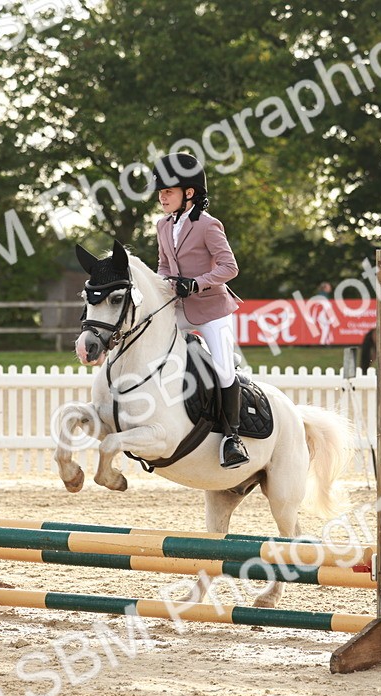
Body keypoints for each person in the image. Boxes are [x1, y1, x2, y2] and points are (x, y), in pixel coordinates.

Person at [153, 152, 248, 469]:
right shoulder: (163, 225)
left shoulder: (208, 225)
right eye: (161, 192)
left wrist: (196, 284)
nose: (162, 197)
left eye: (168, 191)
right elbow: (164, 265)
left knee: (223, 369)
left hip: (212, 309)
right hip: (179, 308)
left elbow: (229, 267)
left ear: (189, 192)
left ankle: (232, 439)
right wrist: (162, 286)